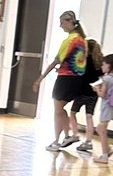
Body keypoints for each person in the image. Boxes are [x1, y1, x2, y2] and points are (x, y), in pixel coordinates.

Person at [33, 10, 89, 152]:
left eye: (62, 23)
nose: (60, 26)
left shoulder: (70, 40)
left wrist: (40, 78)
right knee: (60, 109)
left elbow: (56, 60)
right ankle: (67, 135)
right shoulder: (83, 41)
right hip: (77, 80)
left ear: (70, 22)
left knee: (57, 110)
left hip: (66, 80)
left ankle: (58, 140)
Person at [68, 38, 104, 154]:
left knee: (73, 113)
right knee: (89, 117)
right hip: (94, 93)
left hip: (82, 92)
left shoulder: (85, 60)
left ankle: (74, 134)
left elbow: (79, 74)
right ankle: (88, 141)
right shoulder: (99, 62)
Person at [90, 52, 113, 164]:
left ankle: (105, 155)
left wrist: (96, 89)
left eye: (103, 64)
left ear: (108, 65)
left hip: (107, 107)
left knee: (101, 130)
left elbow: (102, 95)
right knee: (101, 129)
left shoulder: (106, 78)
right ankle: (107, 150)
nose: (102, 66)